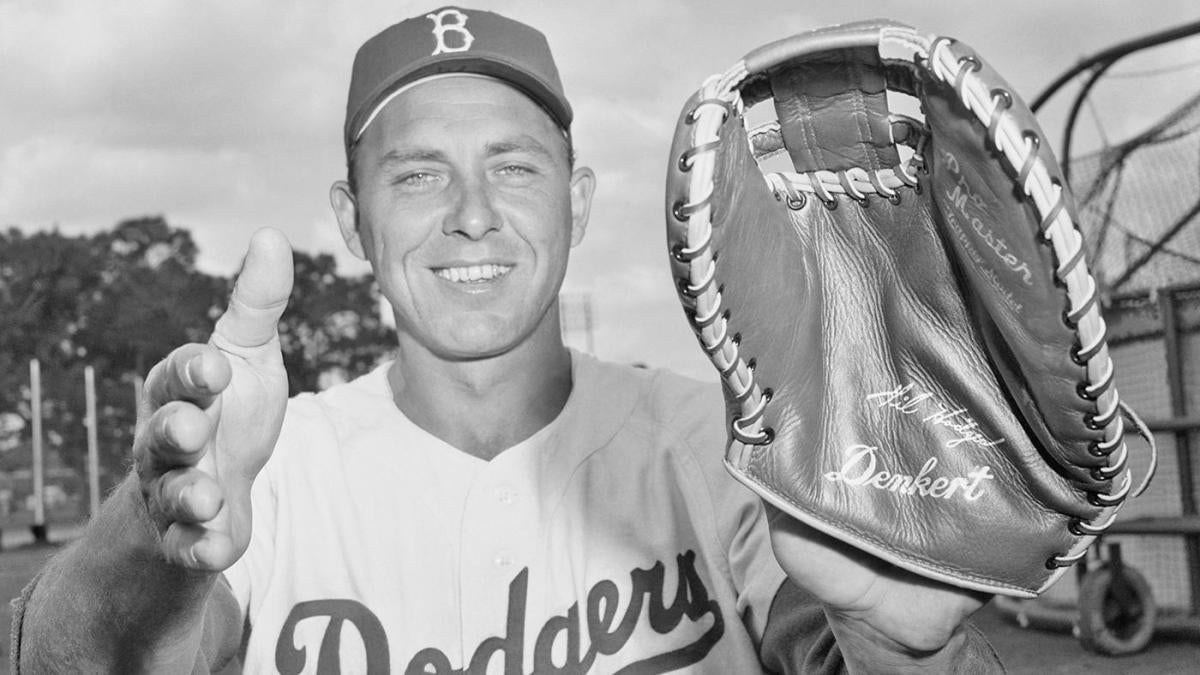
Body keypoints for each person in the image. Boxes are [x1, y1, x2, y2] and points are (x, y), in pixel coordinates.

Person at [12, 6, 1003, 673]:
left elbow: (831, 637)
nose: (474, 214)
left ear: (576, 200)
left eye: (515, 169)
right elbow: (64, 660)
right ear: (353, 222)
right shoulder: (269, 471)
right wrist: (145, 547)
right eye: (418, 175)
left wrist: (892, 644)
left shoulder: (730, 445)